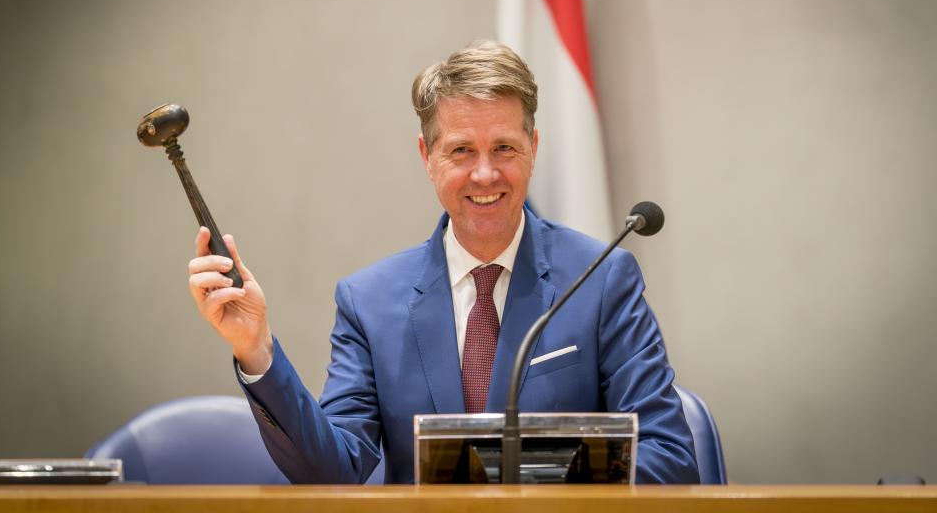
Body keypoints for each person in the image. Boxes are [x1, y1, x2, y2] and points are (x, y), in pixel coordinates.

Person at [187, 41, 699, 484]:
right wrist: (256, 350)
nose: (484, 173)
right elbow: (334, 469)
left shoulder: (602, 278)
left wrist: (510, 468)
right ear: (426, 157)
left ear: (533, 149)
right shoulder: (369, 301)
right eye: (460, 150)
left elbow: (671, 460)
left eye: (504, 147)